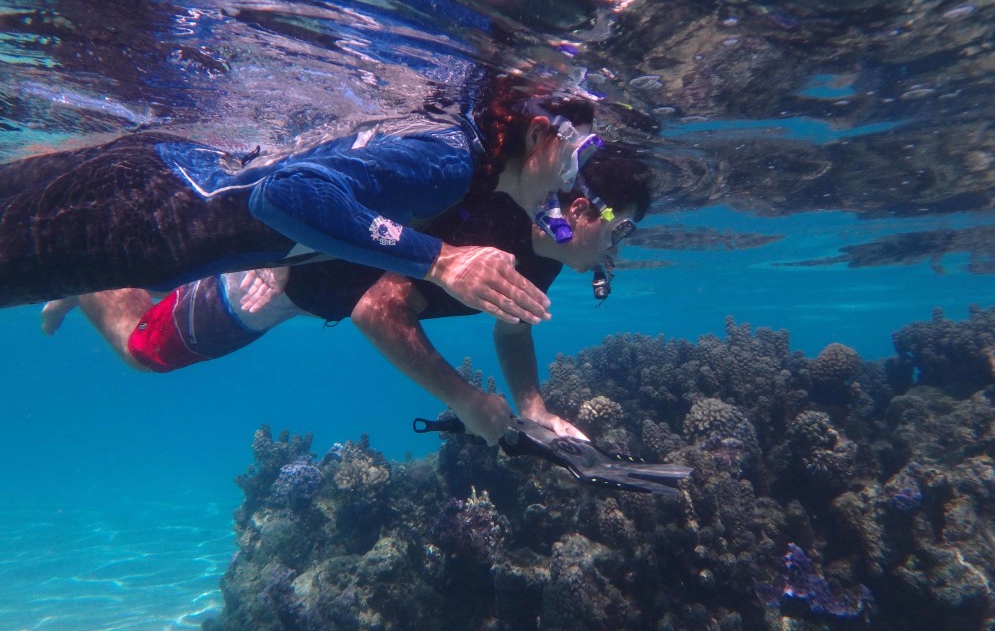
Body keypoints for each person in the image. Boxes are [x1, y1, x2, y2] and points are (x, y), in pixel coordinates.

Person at [44, 153, 649, 445]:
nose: (616, 253)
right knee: (143, 346)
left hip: (291, 256)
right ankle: (79, 279)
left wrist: (533, 407)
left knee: (165, 267)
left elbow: (512, 328)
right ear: (578, 210)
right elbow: (375, 307)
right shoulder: (501, 205)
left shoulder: (544, 257)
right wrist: (465, 400)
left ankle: (89, 273)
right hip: (278, 273)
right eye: (620, 232)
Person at [0, 75, 602, 327]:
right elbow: (283, 194)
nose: (572, 182)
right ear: (537, 132)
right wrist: (442, 260)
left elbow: (307, 181)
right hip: (131, 212)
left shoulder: (455, 157)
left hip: (140, 200)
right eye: (577, 156)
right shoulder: (450, 162)